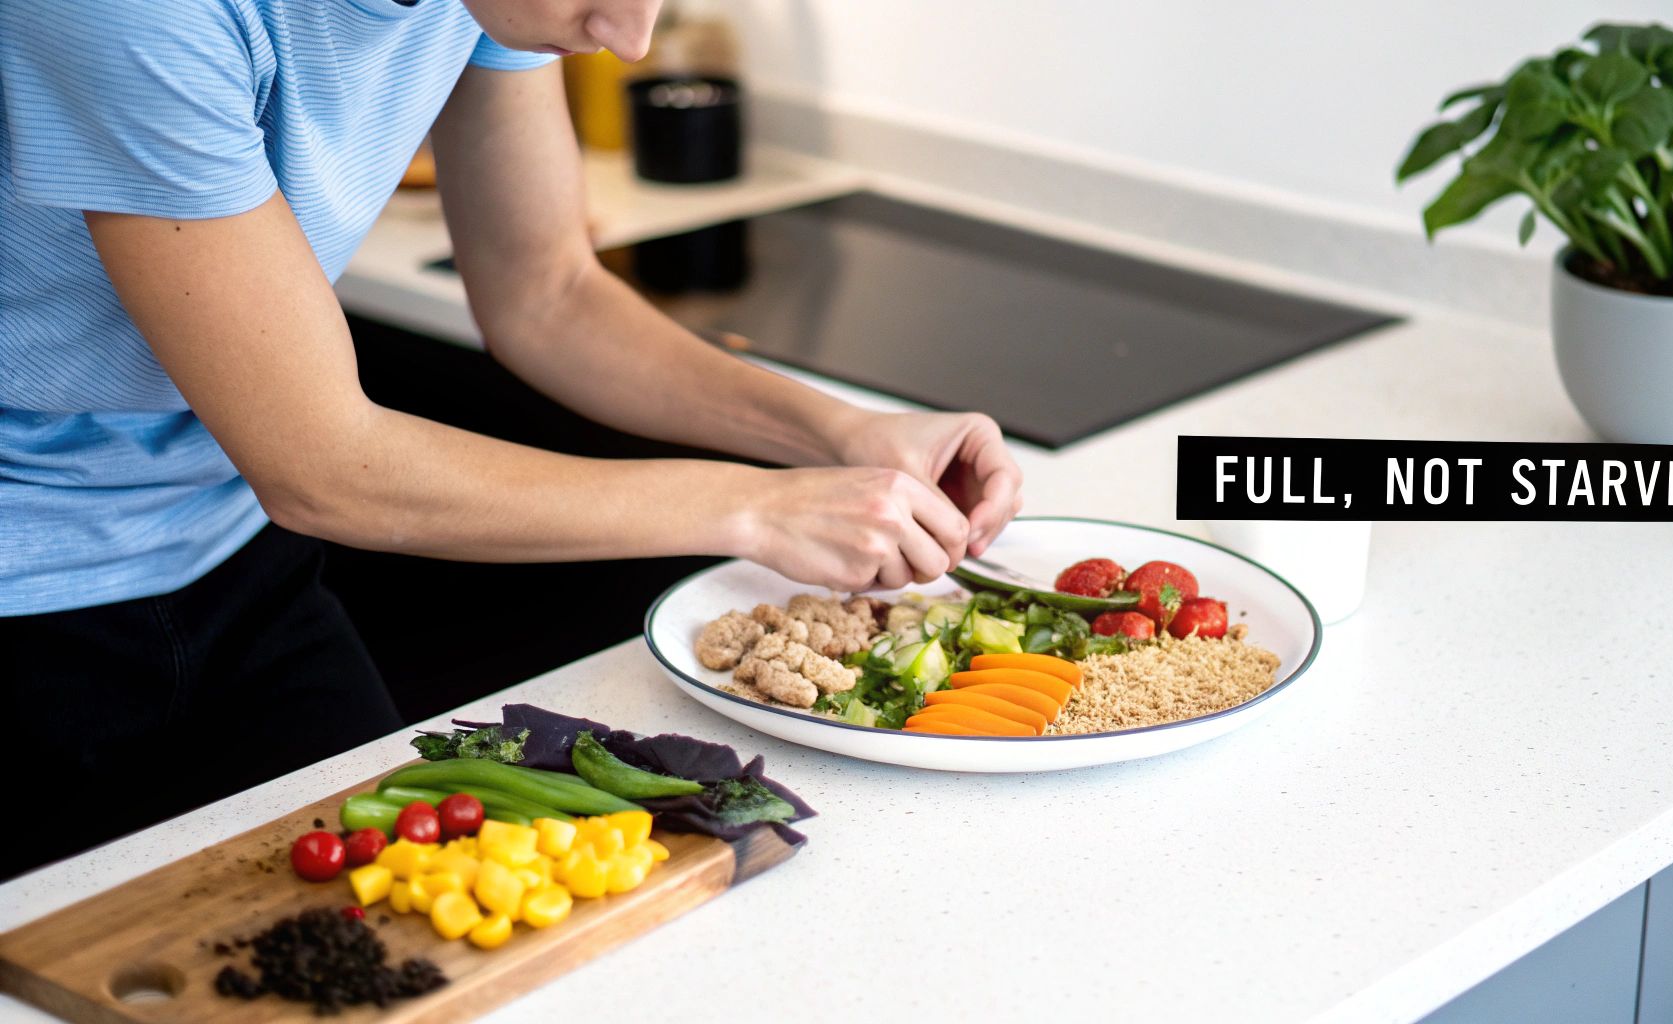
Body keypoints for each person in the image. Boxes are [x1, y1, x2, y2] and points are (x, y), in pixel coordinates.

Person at [0, 0, 1023, 878]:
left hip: (226, 555)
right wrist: (755, 505)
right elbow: (323, 470)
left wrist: (840, 432)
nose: (627, 37)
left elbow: (547, 291)